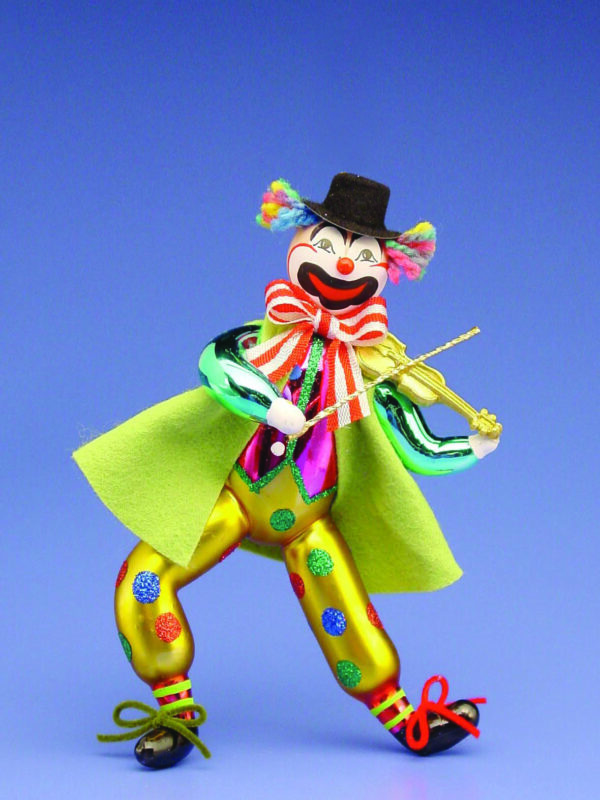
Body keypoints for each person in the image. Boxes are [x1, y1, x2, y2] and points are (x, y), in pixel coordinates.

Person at [74, 173, 499, 769]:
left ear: (384, 271)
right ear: (298, 242)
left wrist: (474, 446)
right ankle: (175, 710)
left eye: (362, 256)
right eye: (326, 246)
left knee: (345, 615)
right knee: (143, 577)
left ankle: (405, 720)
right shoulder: (263, 340)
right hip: (234, 501)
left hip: (308, 523)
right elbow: (218, 366)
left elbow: (417, 447)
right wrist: (271, 404)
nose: (342, 265)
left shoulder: (372, 372)